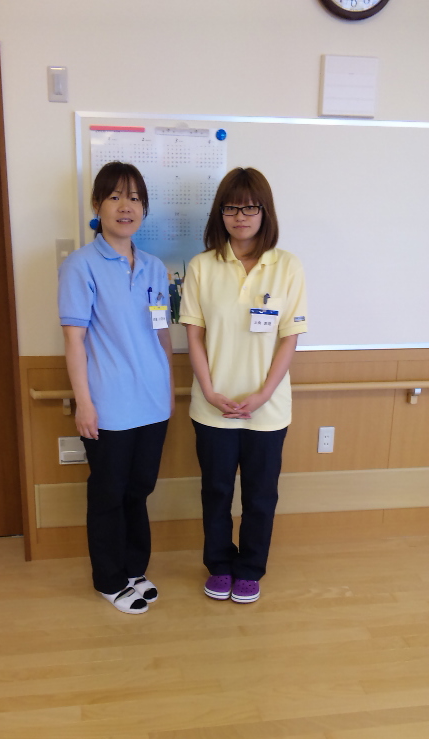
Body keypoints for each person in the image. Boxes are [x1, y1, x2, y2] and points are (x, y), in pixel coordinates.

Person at [179, 167, 308, 604]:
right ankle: (219, 565)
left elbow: (289, 338)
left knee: (260, 495)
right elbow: (194, 335)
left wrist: (264, 394)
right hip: (212, 406)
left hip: (267, 410)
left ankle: (250, 569)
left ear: (264, 211)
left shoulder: (287, 266)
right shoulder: (201, 266)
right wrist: (210, 390)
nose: (240, 216)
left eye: (250, 207)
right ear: (220, 213)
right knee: (215, 492)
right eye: (231, 207)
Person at [58, 161, 174, 614]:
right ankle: (109, 579)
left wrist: (168, 383)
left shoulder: (154, 267)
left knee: (139, 490)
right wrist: (84, 404)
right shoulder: (80, 265)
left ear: (144, 208)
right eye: (115, 197)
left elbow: (162, 331)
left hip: (153, 403)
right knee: (108, 493)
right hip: (108, 405)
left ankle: (133, 569)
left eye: (135, 198)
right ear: (97, 205)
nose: (126, 206)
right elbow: (74, 340)